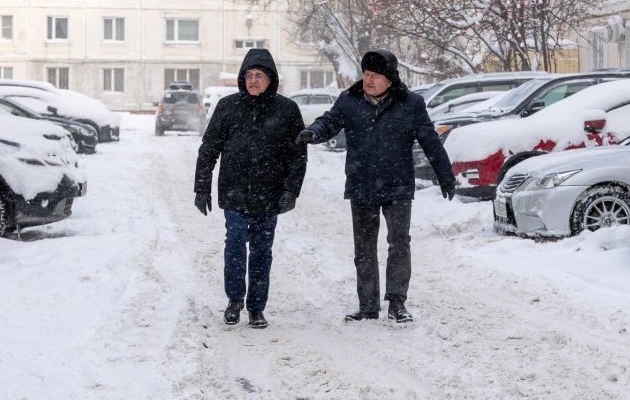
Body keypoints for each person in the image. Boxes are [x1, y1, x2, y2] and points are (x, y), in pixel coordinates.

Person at [296, 49, 455, 323]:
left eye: (375, 76)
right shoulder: (350, 99)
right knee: (364, 249)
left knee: (398, 244)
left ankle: (396, 303)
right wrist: (315, 132)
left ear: (390, 79)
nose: (368, 80)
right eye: (366, 74)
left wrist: (446, 175)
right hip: (362, 184)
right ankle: (368, 306)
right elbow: (330, 121)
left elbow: (430, 141)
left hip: (397, 185)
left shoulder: (411, 104)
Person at [194, 48, 307, 329]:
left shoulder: (287, 110)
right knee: (234, 245)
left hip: (269, 195)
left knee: (261, 250)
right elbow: (208, 149)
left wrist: (291, 191)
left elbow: (298, 156)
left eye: (259, 75)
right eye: (248, 75)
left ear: (271, 79)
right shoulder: (227, 107)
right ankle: (234, 301)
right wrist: (201, 188)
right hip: (234, 192)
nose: (253, 80)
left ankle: (257, 308)